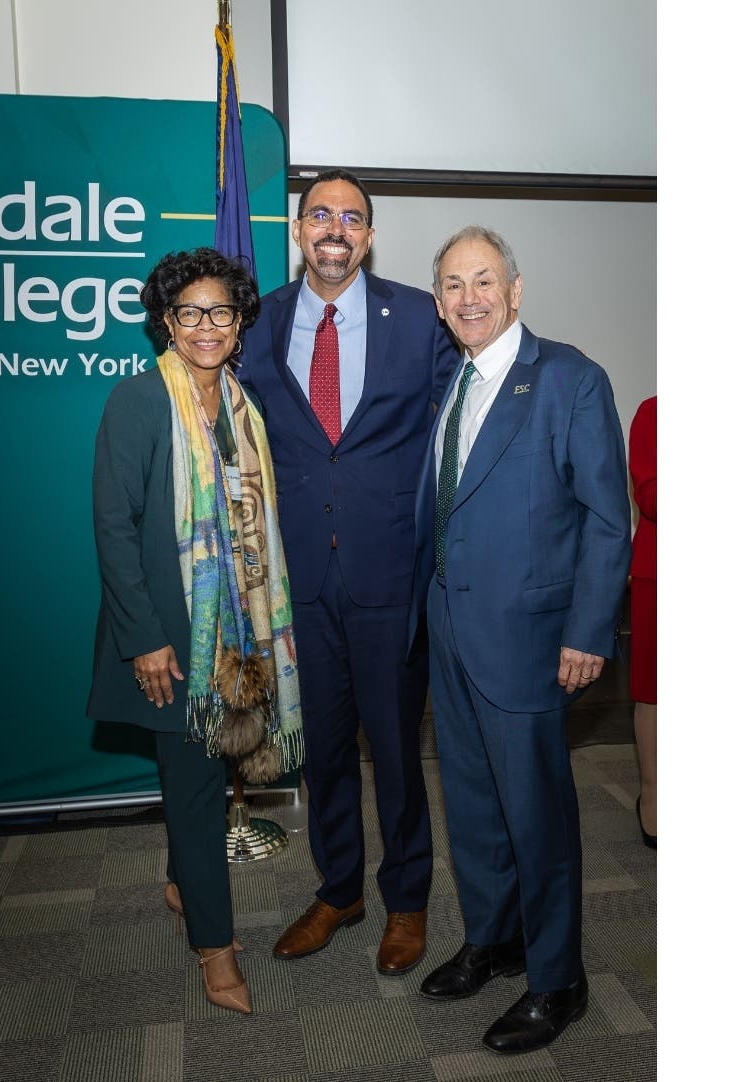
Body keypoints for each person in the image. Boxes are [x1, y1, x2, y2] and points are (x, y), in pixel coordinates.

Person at [408, 226, 631, 1055]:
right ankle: (495, 940)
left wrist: (588, 630)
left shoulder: (569, 378)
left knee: (538, 815)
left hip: (532, 639)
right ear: (439, 303)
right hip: (450, 628)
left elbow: (607, 519)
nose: (469, 297)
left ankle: (558, 979)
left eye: (483, 280)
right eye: (453, 285)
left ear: (516, 289)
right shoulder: (453, 379)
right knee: (471, 805)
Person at [239, 169, 459, 974]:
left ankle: (406, 900)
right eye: (321, 215)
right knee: (323, 750)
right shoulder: (258, 323)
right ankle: (339, 891)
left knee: (397, 752)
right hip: (297, 581)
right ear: (300, 230)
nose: (336, 228)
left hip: (390, 578)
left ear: (368, 236)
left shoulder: (421, 319)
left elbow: (454, 434)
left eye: (353, 218)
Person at [86, 247, 304, 1016]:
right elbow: (114, 527)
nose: (207, 326)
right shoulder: (139, 401)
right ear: (167, 323)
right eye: (190, 312)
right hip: (174, 641)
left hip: (240, 630)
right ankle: (217, 949)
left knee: (203, 779)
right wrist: (144, 639)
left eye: (221, 311)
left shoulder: (245, 408)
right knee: (196, 790)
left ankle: (184, 882)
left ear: (240, 323)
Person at [628, 395, 657, 848]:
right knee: (656, 692)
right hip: (662, 574)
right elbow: (652, 496)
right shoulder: (654, 412)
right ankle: (655, 801)